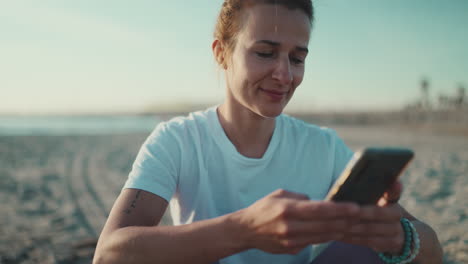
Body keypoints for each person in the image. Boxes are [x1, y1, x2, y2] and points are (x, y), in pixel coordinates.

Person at [93, 1, 443, 263]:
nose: (284, 74)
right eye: (265, 53)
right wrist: (246, 230)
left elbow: (433, 248)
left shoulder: (323, 146)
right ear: (221, 53)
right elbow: (109, 254)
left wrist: (396, 237)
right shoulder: (177, 141)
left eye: (297, 58)